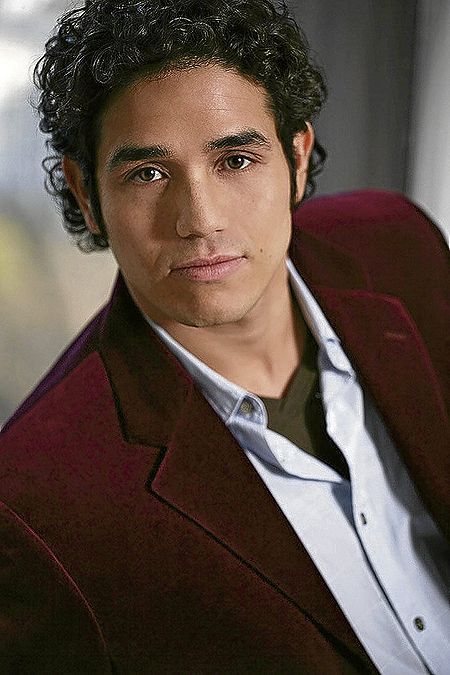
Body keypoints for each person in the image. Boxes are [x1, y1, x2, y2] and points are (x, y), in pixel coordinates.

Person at [0, 0, 449, 672]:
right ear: (87, 195)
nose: (200, 219)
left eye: (236, 160)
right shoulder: (36, 506)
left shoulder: (399, 242)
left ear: (297, 157)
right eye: (148, 173)